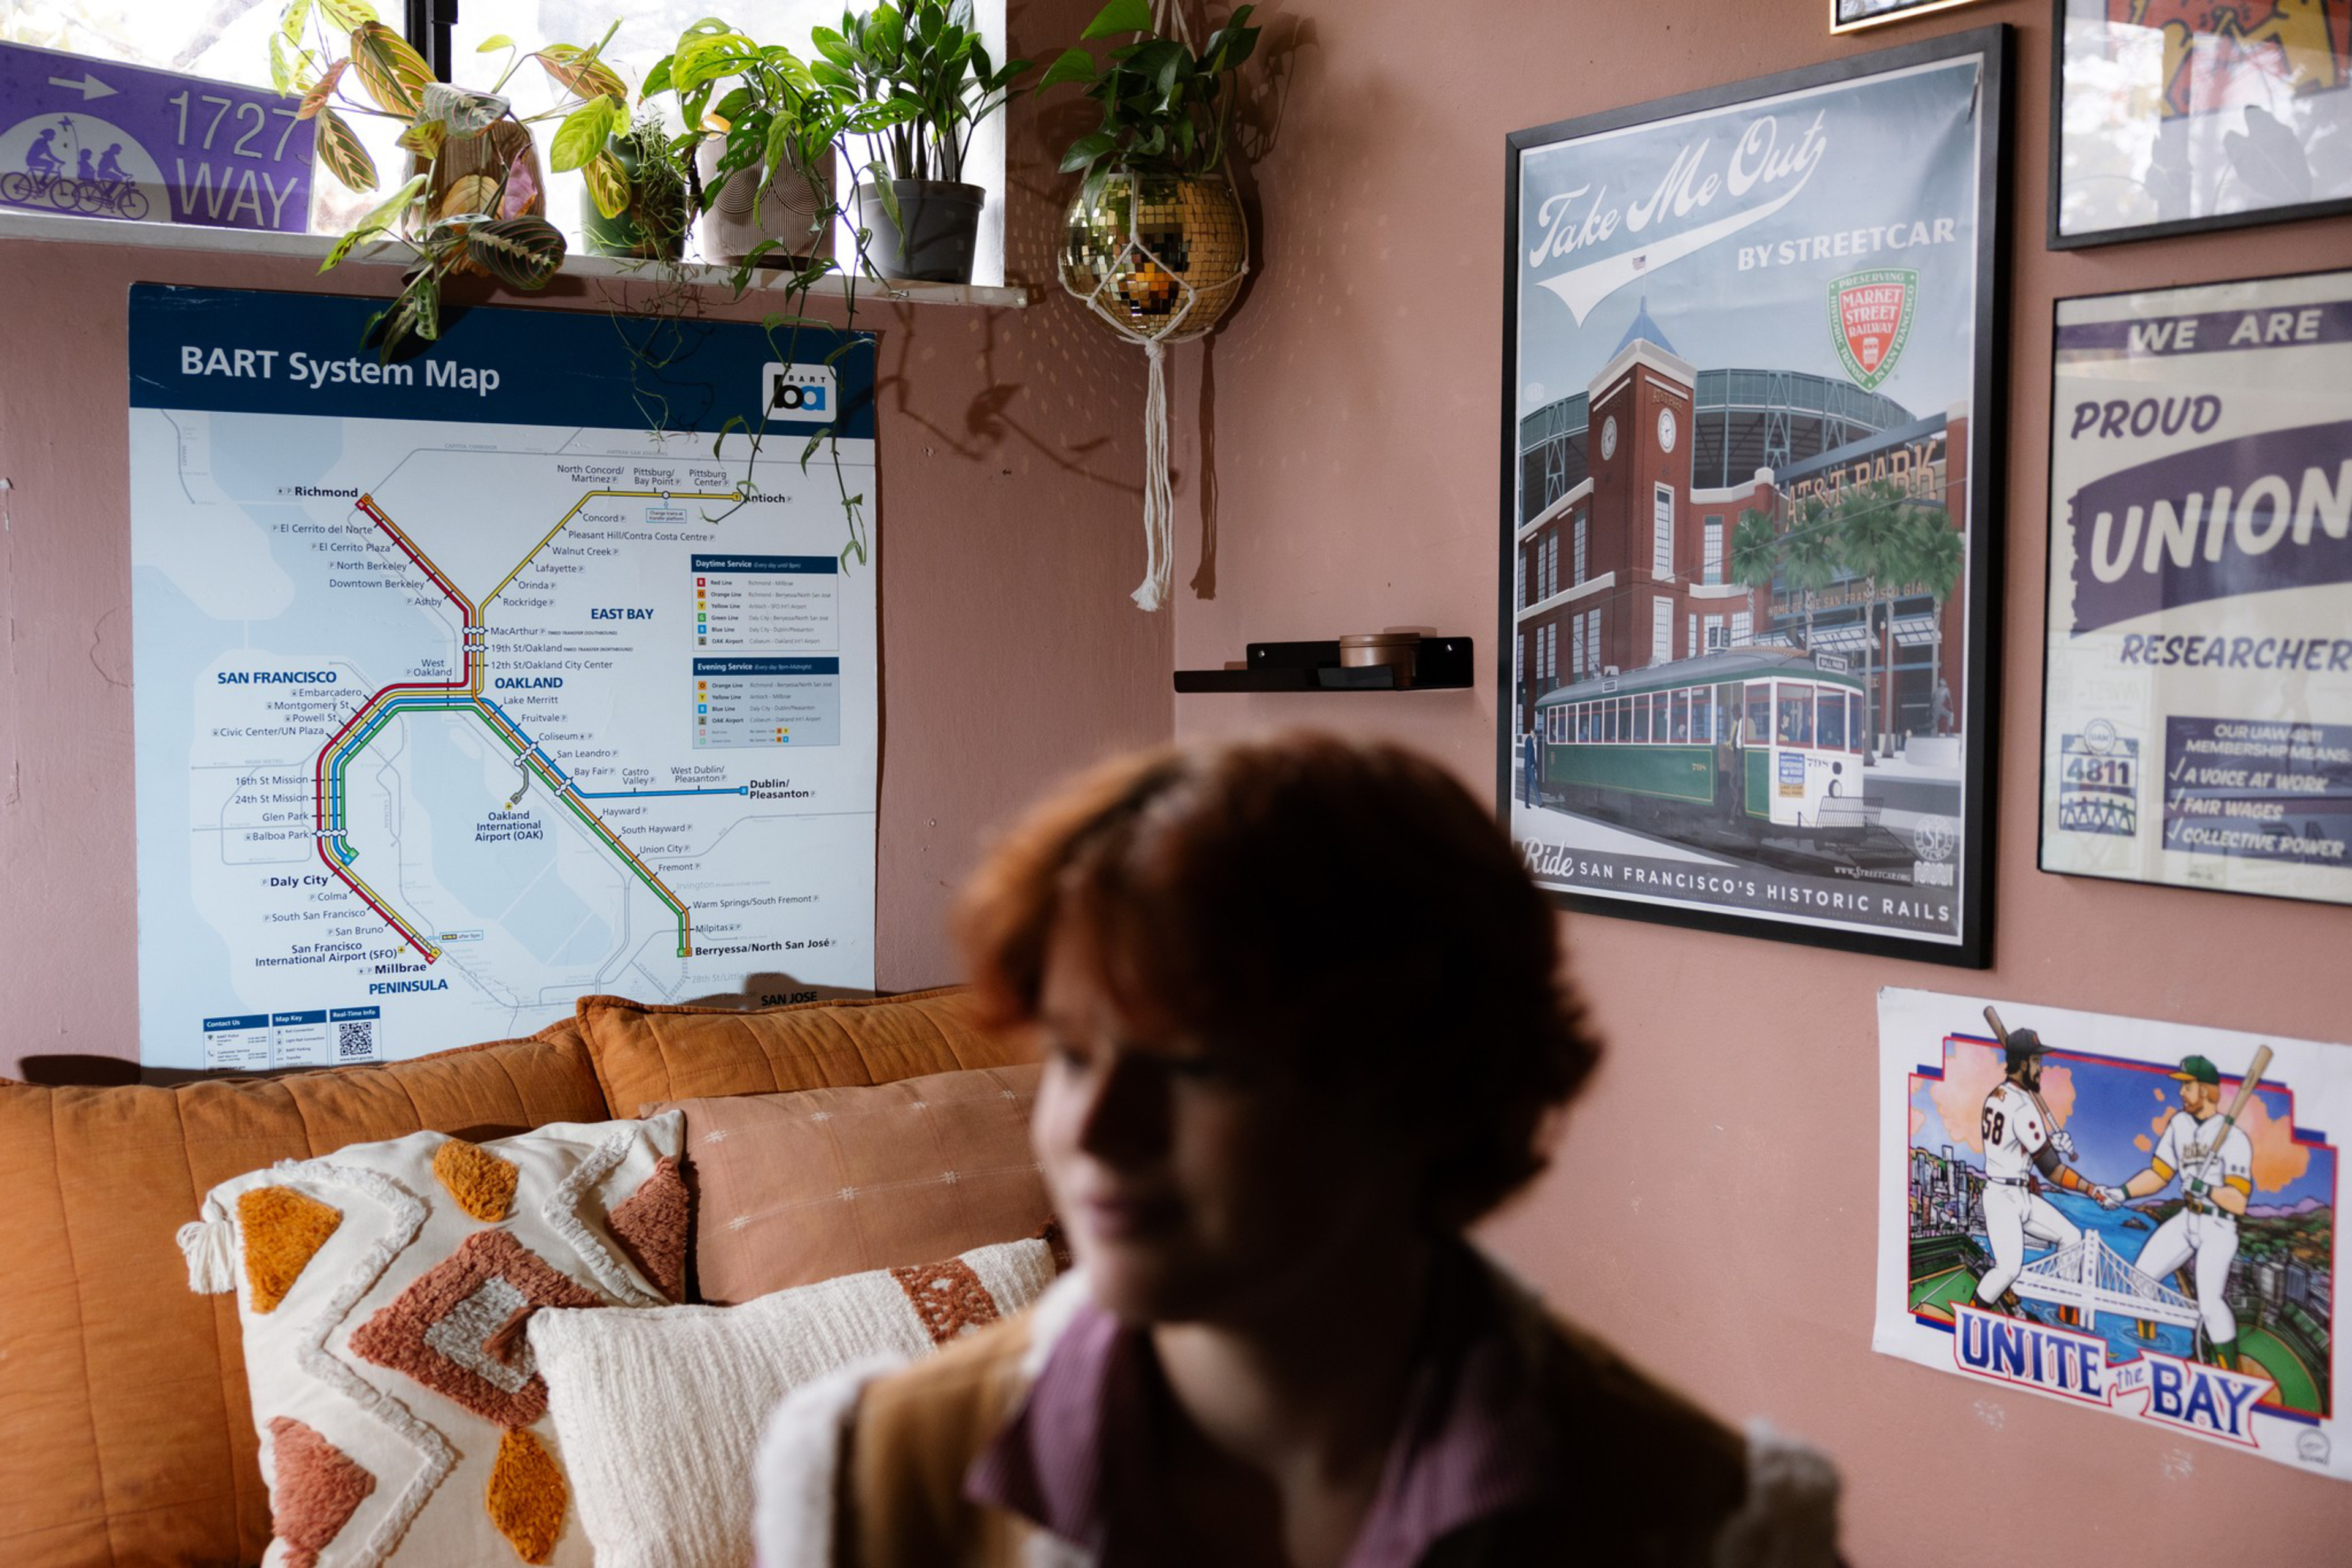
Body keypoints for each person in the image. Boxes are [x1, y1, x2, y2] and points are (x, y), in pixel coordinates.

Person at [754, 732, 1842, 1567]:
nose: (1092, 1132)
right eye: (1075, 1056)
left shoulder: (1707, 1524)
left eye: (1197, 1066)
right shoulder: (871, 1482)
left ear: (1423, 1089)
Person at [2098, 1055, 2254, 1370]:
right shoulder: (2179, 1125)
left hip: (2219, 1226)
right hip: (2188, 1217)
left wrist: (2209, 1189)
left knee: (2209, 1304)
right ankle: (2148, 1350)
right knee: (2140, 1280)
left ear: (2207, 1090)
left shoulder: (2235, 1139)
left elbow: (2238, 1202)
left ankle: (2230, 1370)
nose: (2181, 1092)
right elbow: (2159, 1174)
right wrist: (2123, 1192)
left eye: (2188, 1085)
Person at [1970, 1027, 2116, 1317]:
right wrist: (2091, 1189)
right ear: (2023, 1063)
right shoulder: (2023, 1107)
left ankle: (2067, 1314)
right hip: (2003, 1198)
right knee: (2008, 1269)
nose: (2041, 1069)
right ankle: (1971, 1313)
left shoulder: (1998, 1096)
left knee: (2072, 1238)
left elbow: (2023, 1145)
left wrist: (2050, 1143)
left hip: (2017, 1191)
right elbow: (2053, 1171)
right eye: (2036, 1062)